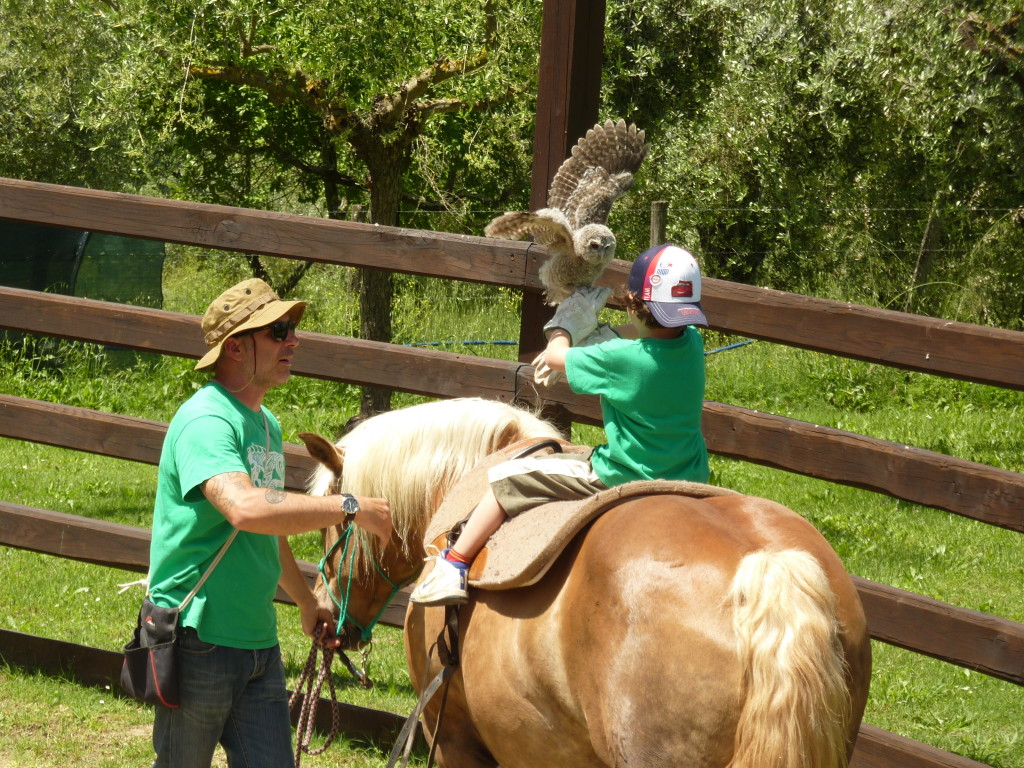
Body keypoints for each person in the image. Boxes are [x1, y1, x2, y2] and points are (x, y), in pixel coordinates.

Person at [146, 277, 392, 767]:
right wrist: (349, 506)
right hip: (198, 640)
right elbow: (246, 508)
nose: (294, 340)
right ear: (236, 347)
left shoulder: (264, 422)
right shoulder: (205, 422)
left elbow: (265, 528)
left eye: (291, 328)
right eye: (278, 331)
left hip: (258, 644)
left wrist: (306, 603)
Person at [409, 244, 709, 606]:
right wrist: (602, 340)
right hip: (689, 474)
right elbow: (641, 355)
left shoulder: (620, 359)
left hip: (625, 475)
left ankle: (453, 566)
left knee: (509, 479)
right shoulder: (692, 344)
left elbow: (555, 356)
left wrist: (566, 322)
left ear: (635, 304)